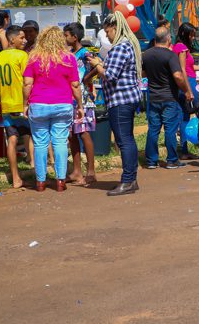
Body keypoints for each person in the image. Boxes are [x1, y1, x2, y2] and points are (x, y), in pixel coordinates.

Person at [23, 26, 84, 193]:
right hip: (62, 104)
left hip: (38, 104)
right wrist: (80, 106)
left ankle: (40, 182)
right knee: (60, 141)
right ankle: (60, 181)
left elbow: (27, 83)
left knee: (40, 143)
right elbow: (75, 85)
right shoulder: (69, 58)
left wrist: (25, 104)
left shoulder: (34, 57)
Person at [90, 13, 143, 196]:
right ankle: (131, 179)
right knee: (127, 139)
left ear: (115, 28)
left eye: (108, 32)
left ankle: (127, 180)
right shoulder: (128, 45)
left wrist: (97, 64)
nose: (107, 36)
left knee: (124, 141)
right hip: (127, 99)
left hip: (120, 100)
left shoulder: (119, 47)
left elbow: (110, 75)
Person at [0, 25, 34, 189]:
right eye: (21, 38)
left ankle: (16, 178)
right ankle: (36, 172)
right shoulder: (22, 55)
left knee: (12, 139)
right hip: (22, 104)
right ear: (11, 39)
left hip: (6, 105)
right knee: (33, 136)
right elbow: (28, 80)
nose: (25, 40)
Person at [142, 26, 187, 169]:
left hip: (153, 97)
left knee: (153, 129)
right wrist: (185, 90)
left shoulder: (146, 54)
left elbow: (143, 73)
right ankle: (172, 160)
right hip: (169, 97)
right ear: (168, 39)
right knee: (170, 129)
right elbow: (178, 76)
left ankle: (151, 161)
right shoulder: (171, 55)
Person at [64, 22, 98, 184]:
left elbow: (98, 65)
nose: (65, 38)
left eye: (66, 35)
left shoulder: (85, 53)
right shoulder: (70, 53)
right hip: (71, 98)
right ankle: (77, 171)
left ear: (75, 37)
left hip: (83, 99)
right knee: (72, 135)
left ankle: (91, 171)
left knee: (84, 133)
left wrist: (87, 78)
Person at [174, 22, 199, 156]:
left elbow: (189, 67)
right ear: (184, 34)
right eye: (191, 35)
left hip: (183, 84)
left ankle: (184, 149)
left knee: (184, 116)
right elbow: (183, 69)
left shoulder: (178, 46)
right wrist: (189, 89)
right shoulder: (182, 48)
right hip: (188, 83)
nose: (193, 37)